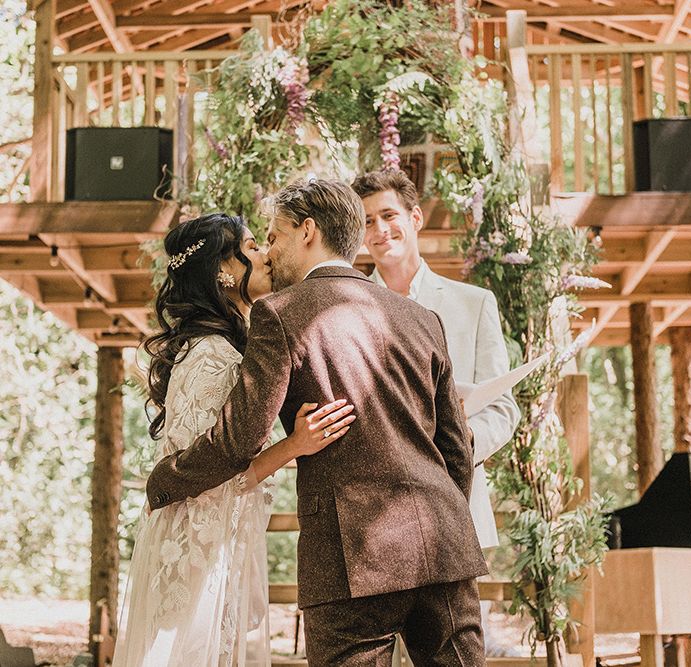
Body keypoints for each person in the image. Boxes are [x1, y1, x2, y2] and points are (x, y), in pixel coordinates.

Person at [146, 180, 488, 666]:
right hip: (444, 550)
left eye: (274, 235)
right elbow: (456, 448)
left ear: (307, 231)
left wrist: (168, 479)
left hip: (349, 560)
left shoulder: (279, 314)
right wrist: (446, 518)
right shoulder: (421, 318)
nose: (268, 251)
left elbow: (238, 436)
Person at [112, 213, 354, 667]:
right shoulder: (212, 356)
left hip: (216, 539)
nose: (264, 253)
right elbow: (212, 472)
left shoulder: (225, 347)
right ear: (223, 269)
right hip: (195, 548)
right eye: (251, 246)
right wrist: (294, 445)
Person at [352, 169, 521, 657]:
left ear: (415, 218)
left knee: (454, 653)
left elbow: (503, 407)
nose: (381, 230)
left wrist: (464, 443)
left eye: (389, 216)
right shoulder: (349, 305)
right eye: (368, 222)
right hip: (374, 514)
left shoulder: (473, 304)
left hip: (455, 505)